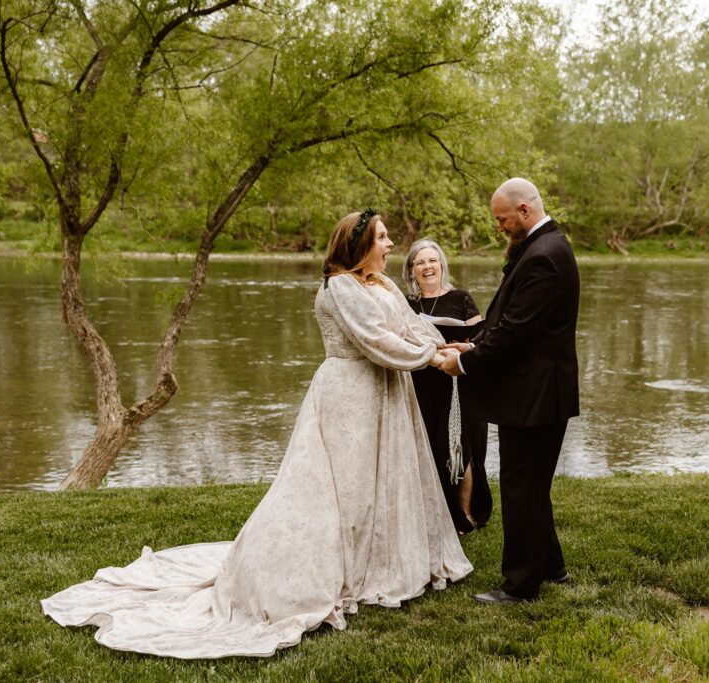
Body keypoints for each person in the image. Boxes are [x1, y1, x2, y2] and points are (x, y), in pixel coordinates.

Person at [41, 210, 472, 659]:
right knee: (345, 486)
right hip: (350, 396)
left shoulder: (378, 283)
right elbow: (376, 340)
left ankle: (382, 561)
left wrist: (441, 345)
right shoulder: (340, 287)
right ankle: (341, 567)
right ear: (359, 245)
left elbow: (408, 325)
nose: (389, 245)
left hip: (385, 392)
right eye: (382, 238)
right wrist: (430, 359)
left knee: (380, 481)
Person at [438, 178, 580, 604]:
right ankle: (552, 569)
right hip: (539, 392)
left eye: (502, 219)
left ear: (523, 210)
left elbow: (516, 333)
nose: (499, 227)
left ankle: (520, 586)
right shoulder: (545, 247)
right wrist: (473, 346)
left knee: (521, 489)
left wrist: (464, 363)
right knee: (532, 487)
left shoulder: (543, 256)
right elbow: (512, 323)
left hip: (536, 396)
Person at [402, 238, 492, 536]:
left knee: (458, 447)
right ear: (411, 270)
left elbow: (482, 337)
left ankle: (464, 515)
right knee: (428, 447)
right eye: (420, 262)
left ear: (441, 265)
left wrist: (463, 346)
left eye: (432, 260)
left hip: (457, 384)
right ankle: (432, 512)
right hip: (420, 384)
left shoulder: (461, 298)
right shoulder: (406, 304)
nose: (427, 267)